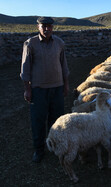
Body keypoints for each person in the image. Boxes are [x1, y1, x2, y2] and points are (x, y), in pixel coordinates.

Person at [20, 16, 69, 163]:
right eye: (44, 26)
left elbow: (64, 66)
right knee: (38, 120)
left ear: (53, 27)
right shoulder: (30, 44)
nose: (47, 29)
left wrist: (66, 85)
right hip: (38, 89)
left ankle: (55, 146)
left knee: (57, 120)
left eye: (49, 26)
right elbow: (25, 69)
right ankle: (39, 149)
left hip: (57, 87)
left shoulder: (59, 43)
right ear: (38, 27)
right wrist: (27, 90)